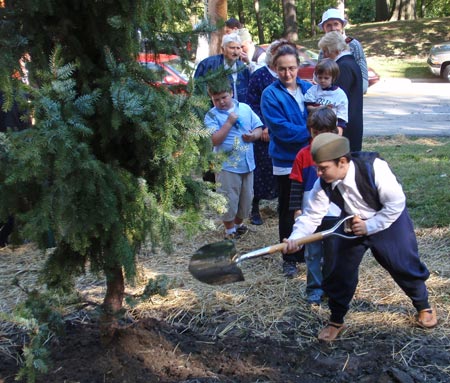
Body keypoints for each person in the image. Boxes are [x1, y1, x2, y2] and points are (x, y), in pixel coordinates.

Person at [284, 133, 438, 341]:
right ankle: (336, 319)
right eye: (317, 168)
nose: (319, 173)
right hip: (352, 222)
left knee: (403, 264)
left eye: (323, 168)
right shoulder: (323, 184)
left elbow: (395, 204)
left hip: (387, 218)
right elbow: (311, 216)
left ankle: (423, 305)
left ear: (343, 162)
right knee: (338, 270)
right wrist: (296, 238)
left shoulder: (374, 168)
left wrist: (370, 226)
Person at [260, 42, 312, 277]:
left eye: (292, 68)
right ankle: (289, 257)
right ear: (274, 68)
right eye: (282, 69)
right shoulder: (270, 94)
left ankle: (308, 252)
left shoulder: (308, 88)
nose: (288, 73)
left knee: (310, 206)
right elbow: (282, 130)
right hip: (287, 162)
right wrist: (312, 133)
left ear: (298, 66)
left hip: (311, 159)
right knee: (289, 209)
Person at [289, 108, 341, 304]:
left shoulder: (339, 154)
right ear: (310, 131)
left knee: (332, 254)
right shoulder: (303, 154)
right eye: (315, 133)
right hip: (310, 215)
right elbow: (295, 184)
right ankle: (314, 289)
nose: (318, 137)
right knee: (312, 254)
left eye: (324, 133)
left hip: (333, 213)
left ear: (333, 131)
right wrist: (296, 209)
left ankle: (331, 287)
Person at [204, 80, 263, 240]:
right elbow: (214, 140)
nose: (221, 102)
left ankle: (239, 225)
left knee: (246, 197)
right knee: (228, 197)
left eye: (224, 97)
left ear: (231, 93)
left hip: (247, 163)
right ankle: (229, 230)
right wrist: (229, 123)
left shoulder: (245, 108)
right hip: (226, 165)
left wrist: (254, 136)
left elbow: (258, 127)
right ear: (211, 99)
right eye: (216, 99)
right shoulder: (211, 115)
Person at [246, 40, 285, 225]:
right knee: (261, 169)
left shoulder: (286, 77)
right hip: (263, 132)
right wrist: (263, 126)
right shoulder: (259, 76)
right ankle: (254, 208)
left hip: (282, 131)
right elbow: (252, 103)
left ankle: (281, 204)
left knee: (281, 168)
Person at [319, 31, 363, 152]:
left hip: (345, 127)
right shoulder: (351, 63)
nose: (325, 56)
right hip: (352, 124)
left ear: (335, 49)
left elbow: (335, 99)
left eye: (326, 51)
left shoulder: (343, 67)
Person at [318, 8, 369, 94]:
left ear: (342, 26)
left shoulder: (353, 45)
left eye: (336, 24)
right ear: (324, 28)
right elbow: (318, 76)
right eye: (328, 25)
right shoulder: (323, 50)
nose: (333, 28)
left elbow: (363, 79)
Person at [194, 33, 250, 103]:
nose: (235, 52)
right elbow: (196, 90)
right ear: (223, 49)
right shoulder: (208, 64)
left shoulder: (243, 68)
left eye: (238, 48)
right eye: (232, 48)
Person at [304, 58, 348, 134]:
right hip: (315, 129)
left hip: (331, 130)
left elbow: (341, 119)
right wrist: (319, 108)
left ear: (333, 78)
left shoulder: (339, 94)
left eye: (326, 78)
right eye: (320, 77)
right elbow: (308, 106)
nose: (322, 80)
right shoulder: (313, 90)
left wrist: (338, 135)